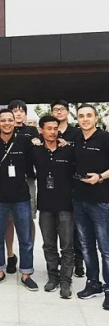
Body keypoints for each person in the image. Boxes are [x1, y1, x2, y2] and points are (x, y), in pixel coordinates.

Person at [0, 108, 38, 291]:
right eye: (3, 120)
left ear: (15, 122)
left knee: (25, 238)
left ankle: (26, 273)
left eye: (10, 120)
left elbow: (39, 156)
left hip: (21, 196)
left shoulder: (24, 141)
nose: (7, 123)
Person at [33, 115, 74, 299]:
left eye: (55, 129)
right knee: (49, 244)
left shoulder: (67, 150)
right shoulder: (35, 150)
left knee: (67, 245)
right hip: (45, 205)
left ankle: (66, 280)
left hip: (65, 205)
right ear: (41, 130)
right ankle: (53, 276)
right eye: (48, 128)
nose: (52, 132)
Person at [73, 104, 109, 310]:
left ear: (96, 118)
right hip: (79, 200)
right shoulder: (77, 139)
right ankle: (93, 283)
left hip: (101, 201)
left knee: (106, 248)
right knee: (86, 246)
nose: (85, 119)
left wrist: (100, 177)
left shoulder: (105, 138)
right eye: (81, 116)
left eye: (89, 115)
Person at [50, 99, 85, 278]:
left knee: (75, 226)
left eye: (62, 109)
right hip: (54, 186)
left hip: (74, 183)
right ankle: (58, 260)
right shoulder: (49, 131)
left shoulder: (76, 133)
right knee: (55, 227)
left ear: (68, 112)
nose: (59, 112)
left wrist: (68, 145)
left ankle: (78, 260)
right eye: (55, 109)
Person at [5, 99, 38, 274]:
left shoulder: (32, 131)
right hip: (7, 182)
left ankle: (28, 254)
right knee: (8, 220)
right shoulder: (2, 130)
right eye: (14, 111)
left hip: (27, 180)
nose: (18, 114)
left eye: (21, 111)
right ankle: (10, 255)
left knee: (28, 218)